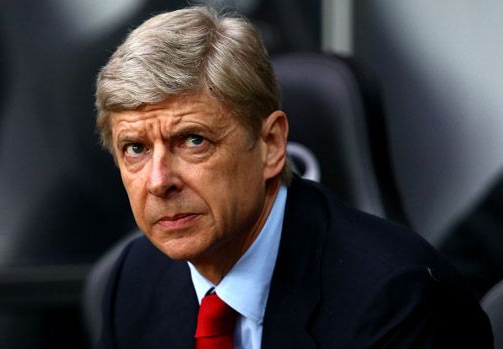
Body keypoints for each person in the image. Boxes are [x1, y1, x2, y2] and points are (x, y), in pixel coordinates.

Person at [92, 6, 493, 349]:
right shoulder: (135, 279)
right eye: (135, 149)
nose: (159, 180)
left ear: (271, 144)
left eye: (193, 140)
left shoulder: (396, 301)